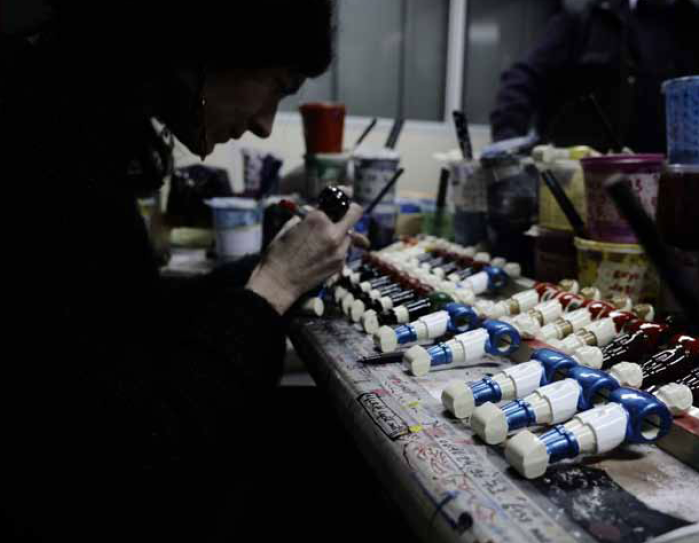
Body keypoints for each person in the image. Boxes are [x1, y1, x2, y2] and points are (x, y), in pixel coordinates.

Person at [2, 1, 410, 541]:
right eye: (279, 85)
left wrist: (264, 270)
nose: (265, 125)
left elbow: (124, 321)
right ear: (218, 48)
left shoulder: (67, 118)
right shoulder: (45, 155)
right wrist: (274, 286)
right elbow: (146, 450)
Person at [490, 0, 699, 153]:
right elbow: (522, 79)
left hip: (663, 186)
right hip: (578, 184)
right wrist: (507, 143)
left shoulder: (697, 31)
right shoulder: (585, 22)